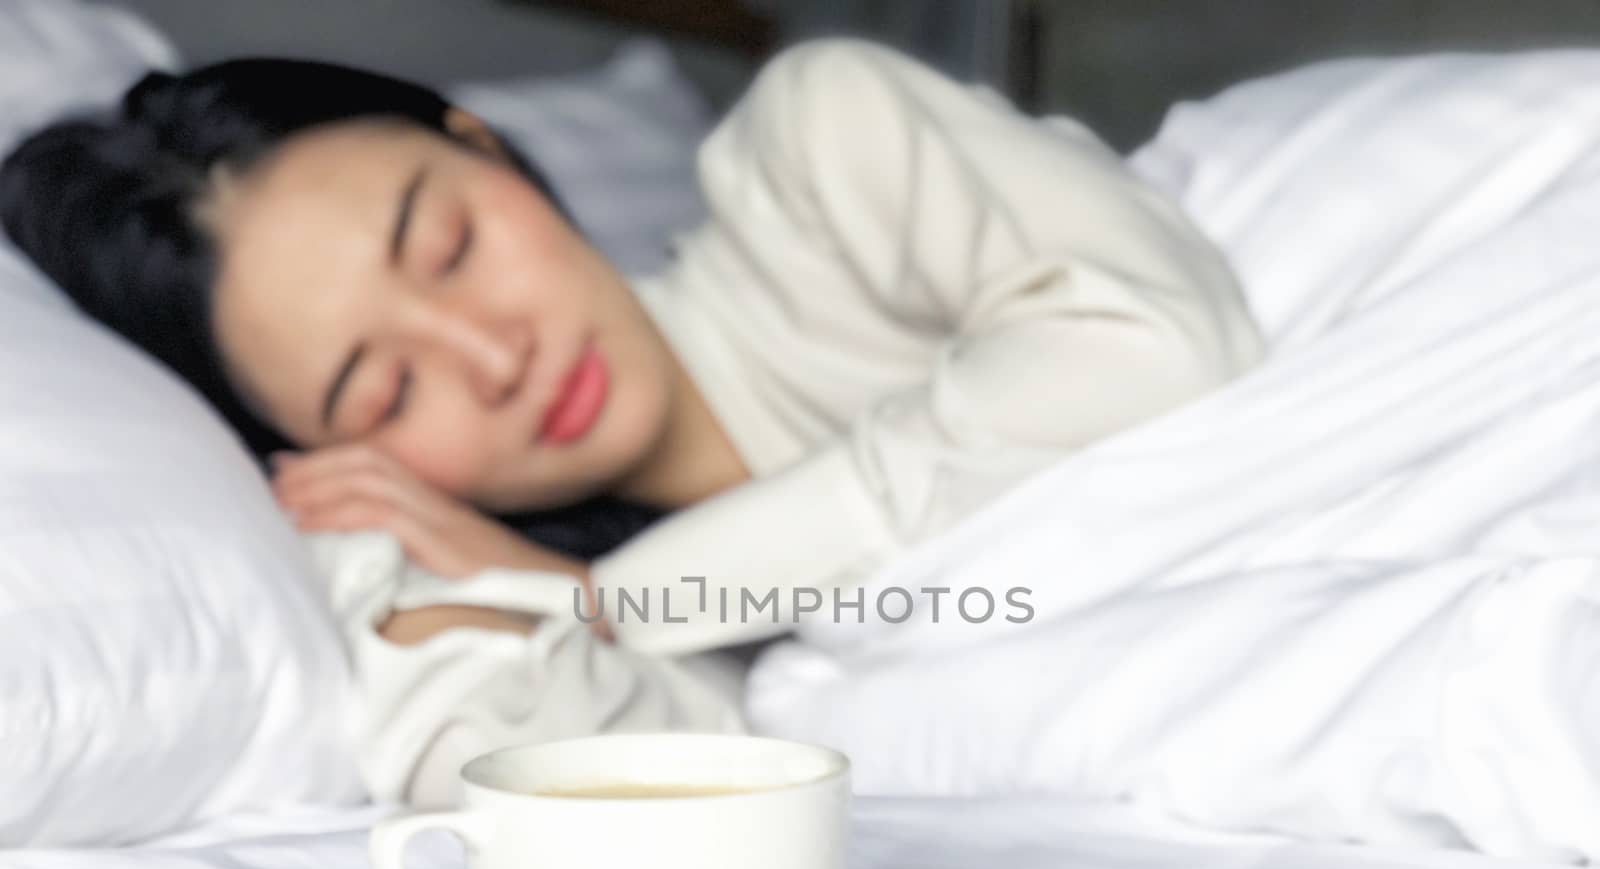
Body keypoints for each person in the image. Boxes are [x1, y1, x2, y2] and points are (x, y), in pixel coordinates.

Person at [0, 37, 1266, 799]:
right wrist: (545, 604)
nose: (492, 354)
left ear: (485, 146)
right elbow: (520, 777)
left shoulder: (827, 155)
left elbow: (1154, 347)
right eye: (386, 392)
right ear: (331, 453)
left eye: (448, 244)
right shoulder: (465, 575)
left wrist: (623, 597)